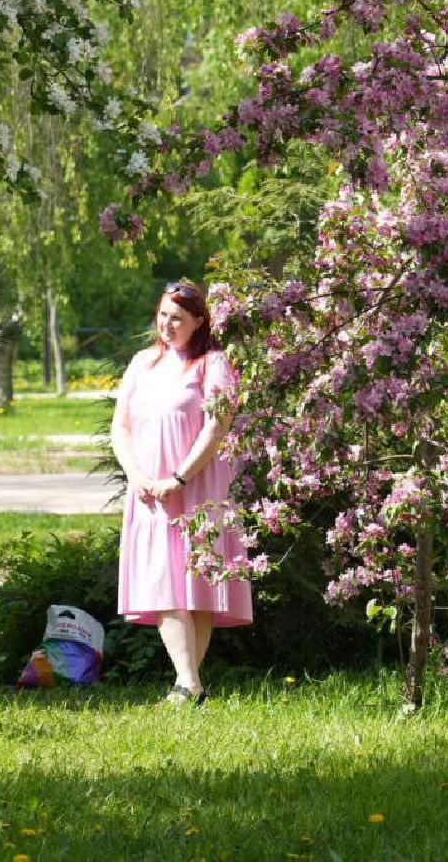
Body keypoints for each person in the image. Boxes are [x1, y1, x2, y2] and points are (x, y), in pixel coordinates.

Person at [111, 280, 252, 705]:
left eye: (177, 318)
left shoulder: (213, 364)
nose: (167, 324)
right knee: (163, 581)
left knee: (199, 586)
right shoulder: (142, 363)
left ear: (198, 322)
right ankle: (189, 683)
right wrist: (137, 474)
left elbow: (217, 426)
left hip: (200, 486)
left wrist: (180, 476)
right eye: (163, 315)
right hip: (151, 491)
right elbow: (121, 426)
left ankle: (187, 684)